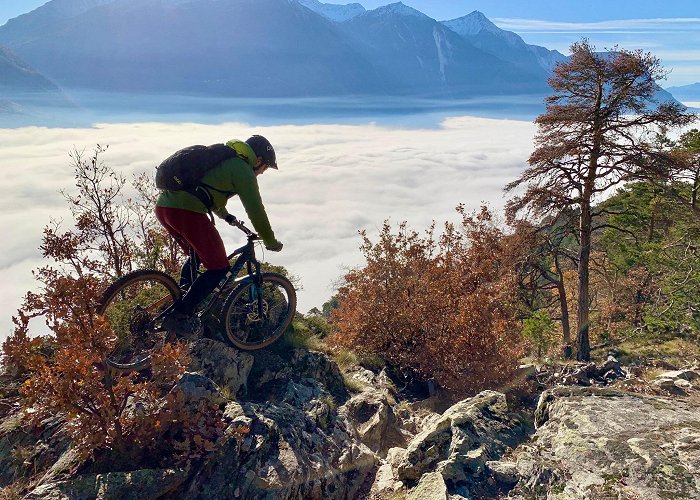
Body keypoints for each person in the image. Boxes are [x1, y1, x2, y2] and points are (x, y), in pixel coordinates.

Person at [155, 134, 283, 337]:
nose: (261, 173)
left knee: (195, 256)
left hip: (165, 208)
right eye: (264, 168)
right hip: (187, 212)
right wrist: (270, 240)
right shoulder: (242, 170)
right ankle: (179, 316)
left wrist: (226, 216)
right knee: (219, 267)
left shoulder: (224, 159)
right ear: (258, 160)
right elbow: (256, 210)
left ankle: (182, 300)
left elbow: (205, 191)